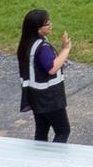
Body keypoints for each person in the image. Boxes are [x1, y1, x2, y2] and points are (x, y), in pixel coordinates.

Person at [17, 8, 73, 143]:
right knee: (63, 131)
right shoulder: (42, 47)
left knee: (42, 130)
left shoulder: (28, 43)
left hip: (34, 95)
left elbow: (40, 65)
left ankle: (39, 159)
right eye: (47, 24)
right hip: (49, 98)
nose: (50, 25)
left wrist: (60, 60)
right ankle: (53, 161)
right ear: (38, 28)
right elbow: (52, 68)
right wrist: (66, 49)